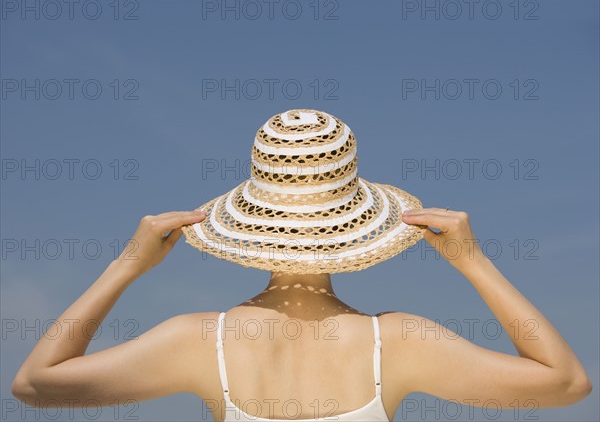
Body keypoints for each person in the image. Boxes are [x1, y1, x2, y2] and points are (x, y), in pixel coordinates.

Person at [11, 110, 593, 421]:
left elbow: (35, 385)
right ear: (356, 221)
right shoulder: (399, 343)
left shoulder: (196, 342)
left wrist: (126, 267)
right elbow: (566, 384)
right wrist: (475, 263)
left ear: (250, 220)